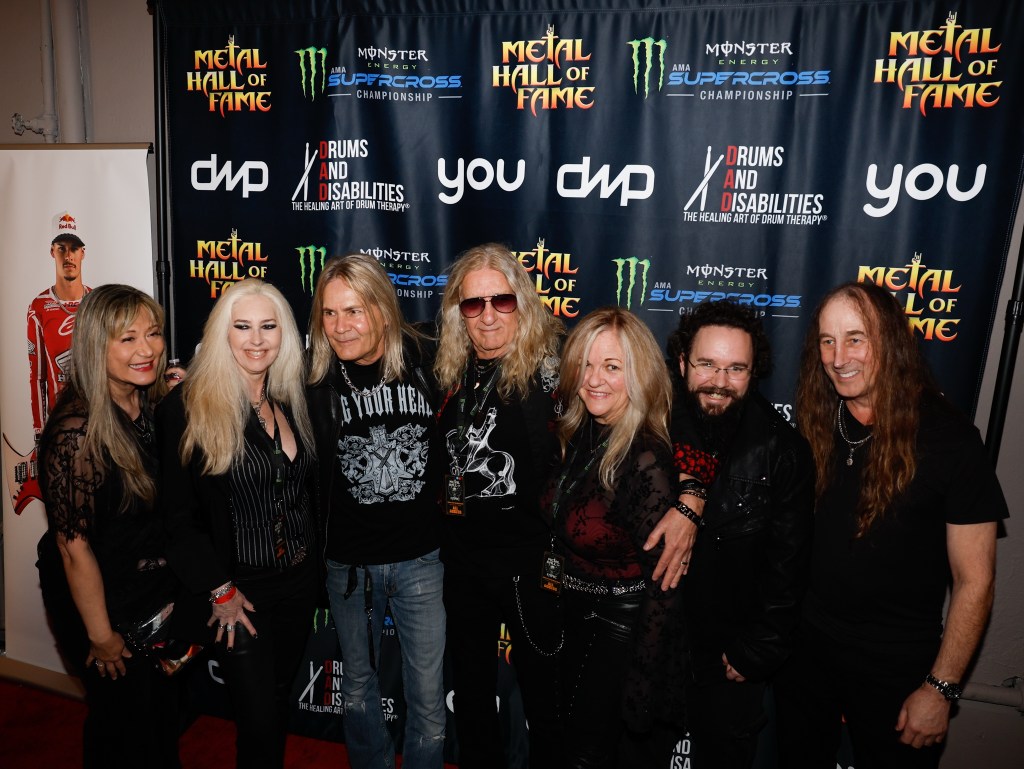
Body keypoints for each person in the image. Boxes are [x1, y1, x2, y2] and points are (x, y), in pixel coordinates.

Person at [774, 281, 1008, 769]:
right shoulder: (818, 420)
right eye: (827, 341)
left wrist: (940, 689)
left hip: (897, 668)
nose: (839, 357)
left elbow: (975, 582)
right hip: (807, 653)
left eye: (855, 338)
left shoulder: (950, 441)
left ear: (891, 342)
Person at [156, 279, 317, 769]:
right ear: (221, 333)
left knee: (279, 697)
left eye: (269, 326)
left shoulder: (291, 398)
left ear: (285, 334)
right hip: (238, 595)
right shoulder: (185, 408)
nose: (257, 340)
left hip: (298, 585)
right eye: (242, 326)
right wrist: (219, 589)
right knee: (258, 720)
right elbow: (176, 518)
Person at [306, 253, 446, 769]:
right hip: (349, 565)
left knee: (427, 696)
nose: (340, 326)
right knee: (358, 688)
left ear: (383, 311)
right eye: (329, 313)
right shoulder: (313, 378)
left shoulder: (428, 357)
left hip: (421, 560)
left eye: (354, 311)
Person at [665, 300, 814, 768]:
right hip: (652, 646)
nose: (720, 381)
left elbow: (789, 568)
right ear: (683, 364)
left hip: (726, 658)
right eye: (707, 364)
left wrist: (756, 650)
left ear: (754, 372)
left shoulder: (782, 452)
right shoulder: (652, 425)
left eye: (736, 369)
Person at [35, 284, 179, 768]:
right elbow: (72, 548)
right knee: (122, 726)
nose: (147, 349)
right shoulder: (77, 433)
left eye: (153, 333)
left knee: (159, 719)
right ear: (97, 346)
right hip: (98, 600)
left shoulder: (148, 403)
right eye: (127, 338)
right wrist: (101, 636)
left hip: (148, 589)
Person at [434, 242, 564, 769]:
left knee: (544, 697)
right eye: (474, 304)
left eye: (502, 301)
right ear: (458, 312)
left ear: (522, 303)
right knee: (470, 694)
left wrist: (691, 490)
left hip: (528, 566)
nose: (488, 316)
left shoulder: (556, 369)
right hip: (463, 563)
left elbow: (641, 396)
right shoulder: (447, 367)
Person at [548, 307, 684, 768]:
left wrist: (644, 679)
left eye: (611, 366)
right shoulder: (581, 431)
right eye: (586, 364)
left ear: (639, 374)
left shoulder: (646, 459)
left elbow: (664, 585)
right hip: (573, 615)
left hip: (617, 627)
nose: (593, 380)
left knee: (585, 754)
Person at [28, 212, 92, 438]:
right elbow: (37, 377)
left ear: (83, 253)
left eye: (74, 248)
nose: (68, 256)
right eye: (61, 248)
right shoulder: (39, 306)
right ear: (52, 252)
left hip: (97, 421)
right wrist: (40, 431)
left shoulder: (97, 302)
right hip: (60, 426)